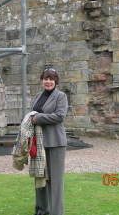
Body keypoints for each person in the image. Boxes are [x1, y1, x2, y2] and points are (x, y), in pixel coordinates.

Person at [31, 68, 68, 215]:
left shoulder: (61, 96)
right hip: (38, 142)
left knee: (55, 181)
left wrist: (38, 118)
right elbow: (31, 114)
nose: (48, 81)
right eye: (46, 79)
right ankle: (42, 210)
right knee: (40, 177)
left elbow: (60, 116)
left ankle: (56, 212)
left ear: (55, 81)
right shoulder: (37, 96)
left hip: (55, 143)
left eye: (51, 79)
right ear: (42, 80)